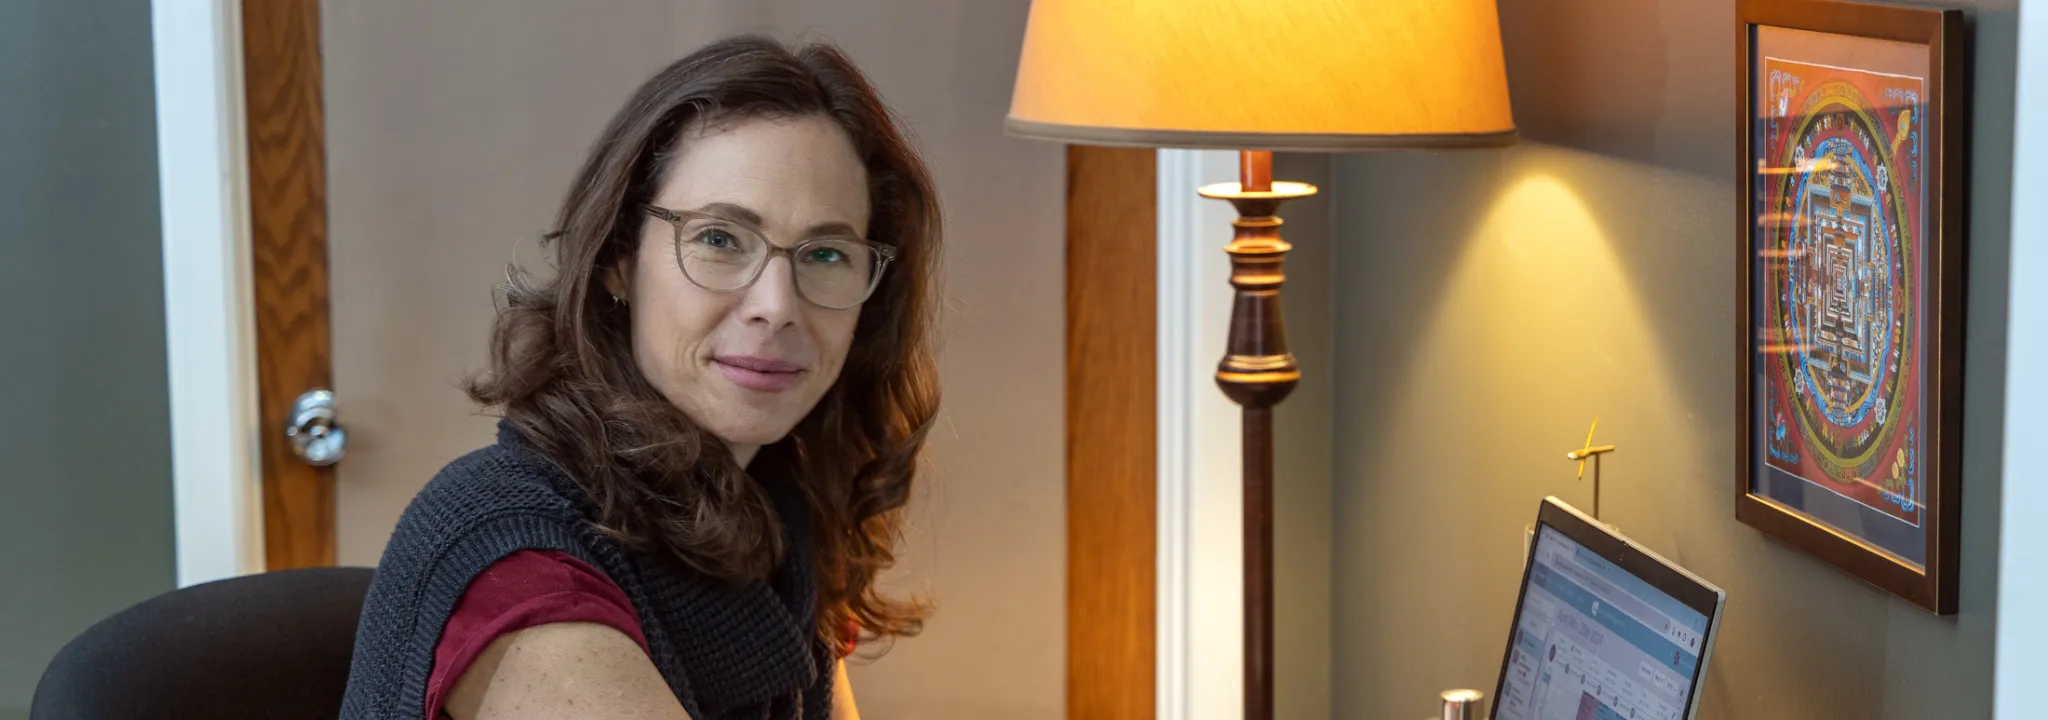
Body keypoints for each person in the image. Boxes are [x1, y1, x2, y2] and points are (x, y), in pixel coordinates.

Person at [340, 35, 941, 720]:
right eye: (719, 239)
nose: (777, 306)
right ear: (620, 259)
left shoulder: (778, 515)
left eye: (827, 252)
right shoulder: (524, 567)